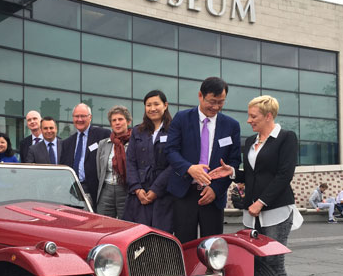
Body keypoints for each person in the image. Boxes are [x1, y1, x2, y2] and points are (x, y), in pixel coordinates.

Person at [210, 95, 302, 276]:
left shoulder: (286, 138)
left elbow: (284, 175)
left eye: (253, 116)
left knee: (274, 263)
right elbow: (253, 174)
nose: (249, 120)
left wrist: (261, 202)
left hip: (275, 211)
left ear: (268, 116)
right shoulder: (252, 141)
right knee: (255, 263)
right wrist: (233, 172)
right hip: (252, 213)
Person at [165, 77, 241, 242]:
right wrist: (189, 168)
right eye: (212, 101)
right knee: (185, 244)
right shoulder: (182, 118)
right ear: (200, 95)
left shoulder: (231, 126)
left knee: (213, 246)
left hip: (213, 195)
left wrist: (216, 189)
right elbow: (170, 150)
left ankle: (212, 270)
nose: (215, 107)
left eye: (220, 102)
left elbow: (234, 161)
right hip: (185, 192)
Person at [122, 90, 174, 233]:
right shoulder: (138, 131)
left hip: (163, 194)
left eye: (156, 104)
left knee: (161, 238)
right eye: (148, 105)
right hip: (139, 195)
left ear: (165, 105)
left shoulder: (174, 130)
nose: (152, 108)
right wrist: (137, 189)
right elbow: (130, 161)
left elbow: (174, 164)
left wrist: (156, 190)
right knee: (136, 237)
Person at [60, 103, 110, 206]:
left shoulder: (102, 135)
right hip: (73, 191)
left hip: (95, 191)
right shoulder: (67, 143)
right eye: (76, 116)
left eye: (83, 116)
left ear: (90, 117)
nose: (79, 119)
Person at [95, 105, 132, 218]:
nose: (117, 123)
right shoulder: (103, 144)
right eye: (114, 120)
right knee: (104, 225)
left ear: (128, 121)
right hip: (106, 190)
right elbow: (99, 169)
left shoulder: (134, 142)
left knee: (126, 225)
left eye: (120, 119)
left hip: (126, 190)